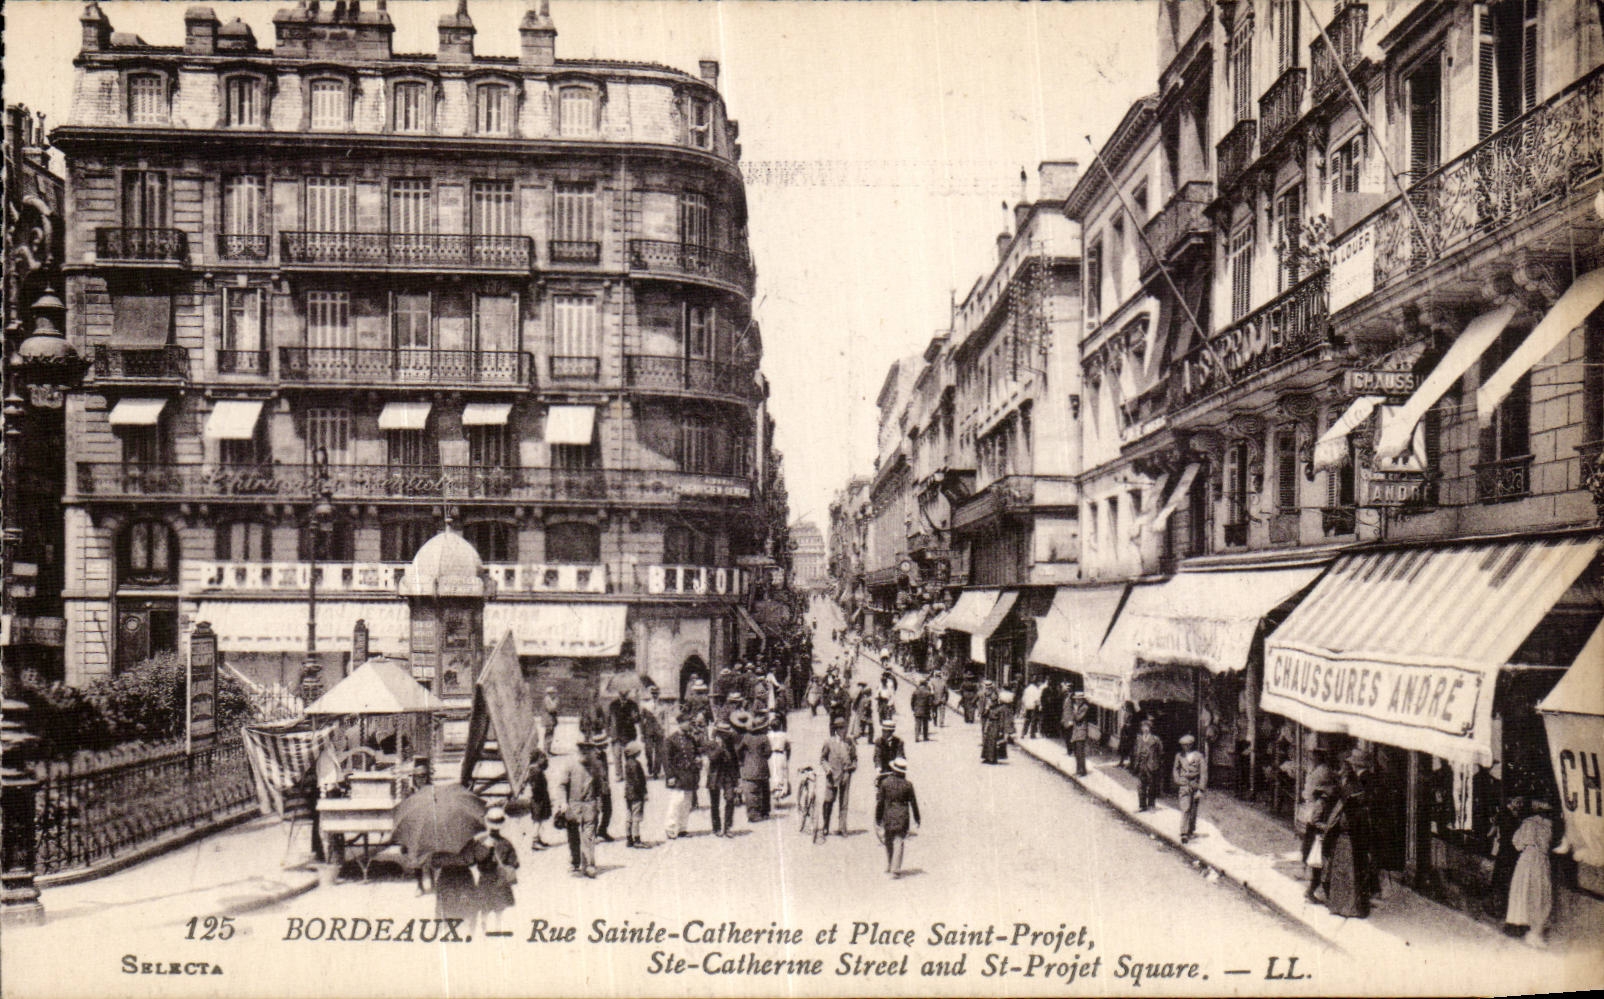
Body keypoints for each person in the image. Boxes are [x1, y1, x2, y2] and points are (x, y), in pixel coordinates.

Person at [1317, 749, 1376, 917]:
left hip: (1351, 831)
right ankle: (1345, 906)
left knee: (1348, 870)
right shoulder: (1354, 783)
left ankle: (1348, 907)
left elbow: (1348, 807)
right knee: (1348, 869)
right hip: (1352, 831)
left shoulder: (1353, 785)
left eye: (1347, 766)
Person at [1505, 801, 1556, 947]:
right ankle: (1534, 929)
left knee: (1522, 890)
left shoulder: (1528, 823)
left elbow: (1517, 843)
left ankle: (1518, 923)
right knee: (1539, 892)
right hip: (1541, 860)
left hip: (1527, 858)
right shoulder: (1550, 826)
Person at [559, 734, 607, 878]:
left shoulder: (597, 765)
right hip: (573, 806)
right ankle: (575, 862)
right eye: (582, 749)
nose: (585, 752)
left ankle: (589, 865)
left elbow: (599, 786)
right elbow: (562, 785)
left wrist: (599, 803)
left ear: (593, 750)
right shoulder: (570, 764)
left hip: (590, 805)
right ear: (578, 749)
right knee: (573, 836)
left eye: (588, 749)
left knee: (589, 836)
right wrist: (563, 802)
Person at [469, 806, 519, 933]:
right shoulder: (506, 843)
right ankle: (497, 927)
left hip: (485, 878)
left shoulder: (480, 841)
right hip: (500, 880)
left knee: (485, 906)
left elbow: (474, 859)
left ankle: (484, 924)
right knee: (499, 907)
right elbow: (514, 862)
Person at [1298, 750, 1337, 900]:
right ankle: (1313, 891)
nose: (1311, 759)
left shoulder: (1321, 771)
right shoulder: (1321, 803)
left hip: (1315, 825)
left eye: (1313, 757)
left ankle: (1316, 890)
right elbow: (1315, 821)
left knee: (1319, 863)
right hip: (1316, 830)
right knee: (1318, 863)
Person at [875, 757, 921, 878]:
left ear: (893, 769)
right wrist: (917, 818)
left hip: (888, 815)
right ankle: (895, 868)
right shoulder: (908, 785)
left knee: (889, 840)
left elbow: (880, 803)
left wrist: (878, 818)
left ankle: (891, 864)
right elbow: (913, 803)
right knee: (898, 841)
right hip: (902, 816)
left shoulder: (885, 783)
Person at [662, 715, 700, 840]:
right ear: (680, 723)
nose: (689, 725)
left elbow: (696, 753)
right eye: (687, 722)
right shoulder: (671, 740)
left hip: (689, 775)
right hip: (678, 775)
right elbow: (666, 760)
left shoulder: (691, 739)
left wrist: (698, 759)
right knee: (676, 802)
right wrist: (670, 776)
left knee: (687, 803)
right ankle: (671, 828)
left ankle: (683, 828)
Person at [819, 716, 858, 839]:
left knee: (844, 802)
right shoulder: (829, 742)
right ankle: (825, 825)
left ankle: (842, 828)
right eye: (840, 728)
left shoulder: (849, 742)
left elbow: (854, 757)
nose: (843, 731)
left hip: (846, 774)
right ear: (836, 729)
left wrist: (852, 767)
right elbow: (823, 759)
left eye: (844, 728)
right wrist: (827, 769)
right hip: (832, 775)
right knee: (829, 800)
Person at [1488, 796, 1527, 917]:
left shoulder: (1519, 817)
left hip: (1513, 852)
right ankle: (1496, 906)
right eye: (1518, 802)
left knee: (1506, 879)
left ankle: (1502, 908)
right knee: (1501, 879)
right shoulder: (1505, 814)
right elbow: (1491, 832)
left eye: (1522, 803)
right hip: (1505, 850)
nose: (1520, 805)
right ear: (1510, 801)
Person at [706, 719, 741, 837]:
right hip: (715, 776)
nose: (727, 735)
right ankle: (716, 827)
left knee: (730, 799)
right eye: (724, 733)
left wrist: (738, 781)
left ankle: (728, 827)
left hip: (728, 775)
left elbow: (736, 762)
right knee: (715, 803)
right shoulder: (711, 744)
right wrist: (720, 748)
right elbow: (712, 758)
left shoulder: (731, 746)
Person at [737, 712, 772, 821]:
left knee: (751, 792)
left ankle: (753, 814)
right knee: (764, 790)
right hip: (762, 768)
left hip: (749, 768)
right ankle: (764, 812)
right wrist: (762, 756)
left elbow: (739, 750)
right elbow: (768, 752)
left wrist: (743, 759)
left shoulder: (746, 737)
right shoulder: (764, 738)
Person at [1173, 733, 1206, 844]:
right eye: (1183, 745)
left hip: (1195, 785)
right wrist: (1178, 780)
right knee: (1185, 808)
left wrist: (1201, 789)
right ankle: (1184, 833)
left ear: (1191, 745)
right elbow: (1175, 770)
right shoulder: (1179, 756)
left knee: (1193, 809)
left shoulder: (1199, 756)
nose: (1184, 747)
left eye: (1187, 745)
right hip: (1184, 785)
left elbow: (1203, 773)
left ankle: (1191, 830)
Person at [1133, 718, 1164, 813]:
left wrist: (1157, 763)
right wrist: (1136, 764)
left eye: (1147, 727)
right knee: (1140, 786)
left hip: (1151, 765)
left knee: (1151, 785)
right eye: (1143, 727)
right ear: (1141, 728)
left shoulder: (1155, 739)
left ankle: (1151, 805)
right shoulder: (1138, 739)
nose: (1145, 729)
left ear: (1150, 728)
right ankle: (1142, 805)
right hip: (1141, 765)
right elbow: (1135, 751)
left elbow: (1161, 752)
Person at [622, 741, 649, 848]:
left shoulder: (627, 763)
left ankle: (629, 838)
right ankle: (637, 839)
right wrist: (644, 792)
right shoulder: (636, 764)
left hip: (628, 793)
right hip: (637, 794)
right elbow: (638, 781)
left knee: (629, 816)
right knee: (636, 817)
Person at [527, 748, 554, 850]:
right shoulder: (536, 771)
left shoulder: (534, 769)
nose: (545, 759)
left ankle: (538, 839)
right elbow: (536, 787)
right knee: (538, 820)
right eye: (542, 757)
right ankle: (535, 841)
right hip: (539, 799)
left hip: (538, 798)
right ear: (537, 758)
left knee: (539, 819)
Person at [639, 686, 665, 780]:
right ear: (651, 694)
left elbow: (665, 720)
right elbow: (641, 720)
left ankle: (656, 771)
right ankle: (650, 765)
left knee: (659, 751)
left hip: (659, 731)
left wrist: (666, 731)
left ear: (659, 694)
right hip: (648, 731)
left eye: (656, 693)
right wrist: (641, 733)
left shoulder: (663, 705)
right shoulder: (645, 705)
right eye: (653, 693)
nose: (655, 695)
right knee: (648, 750)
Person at [1066, 692, 1092, 776]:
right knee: (1076, 752)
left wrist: (1074, 711)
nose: (1076, 701)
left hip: (1081, 731)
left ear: (1081, 700)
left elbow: (1078, 718)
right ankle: (1078, 770)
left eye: (1078, 699)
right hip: (1076, 731)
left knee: (1080, 752)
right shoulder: (1078, 707)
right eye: (1076, 699)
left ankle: (1082, 771)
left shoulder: (1085, 707)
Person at [768, 712, 792, 802]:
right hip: (781, 754)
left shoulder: (768, 735)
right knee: (782, 773)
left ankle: (775, 792)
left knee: (773, 773)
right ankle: (782, 791)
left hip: (771, 755)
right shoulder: (783, 735)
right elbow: (788, 748)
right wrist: (788, 757)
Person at [1117, 701, 1142, 770]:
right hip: (1125, 731)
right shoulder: (1126, 713)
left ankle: (1131, 764)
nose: (1126, 708)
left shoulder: (1133, 715)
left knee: (1130, 748)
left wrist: (1128, 726)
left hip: (1130, 732)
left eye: (1127, 706)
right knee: (1122, 747)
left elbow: (1134, 725)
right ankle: (1121, 762)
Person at [541, 685, 560, 757]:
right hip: (548, 719)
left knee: (550, 734)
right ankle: (546, 751)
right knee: (548, 735)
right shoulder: (547, 699)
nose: (554, 694)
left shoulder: (549, 699)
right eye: (553, 693)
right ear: (549, 693)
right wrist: (555, 703)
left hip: (550, 719)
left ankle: (548, 750)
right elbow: (551, 709)